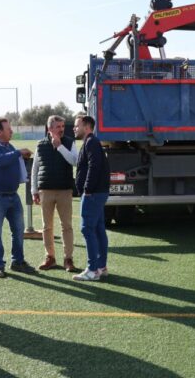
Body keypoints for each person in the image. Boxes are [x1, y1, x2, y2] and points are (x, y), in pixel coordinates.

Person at [0, 118, 36, 278]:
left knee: (18, 230)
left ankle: (17, 261)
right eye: (8, 129)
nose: (11, 131)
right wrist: (18, 152)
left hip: (13, 196)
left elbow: (12, 160)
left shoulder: (9, 146)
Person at [31, 115, 80, 272]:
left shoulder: (69, 142)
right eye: (58, 126)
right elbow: (35, 169)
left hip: (65, 190)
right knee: (47, 227)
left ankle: (68, 259)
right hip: (45, 190)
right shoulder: (40, 145)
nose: (61, 129)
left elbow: (74, 161)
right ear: (50, 128)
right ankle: (50, 257)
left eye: (62, 126)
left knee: (67, 226)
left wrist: (59, 146)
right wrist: (34, 190)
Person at [72, 115, 111, 281]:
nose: (74, 128)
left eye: (77, 125)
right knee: (98, 228)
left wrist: (87, 189)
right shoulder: (91, 142)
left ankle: (93, 269)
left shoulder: (91, 142)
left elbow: (94, 166)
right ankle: (101, 266)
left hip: (93, 194)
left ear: (87, 126)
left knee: (87, 229)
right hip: (97, 192)